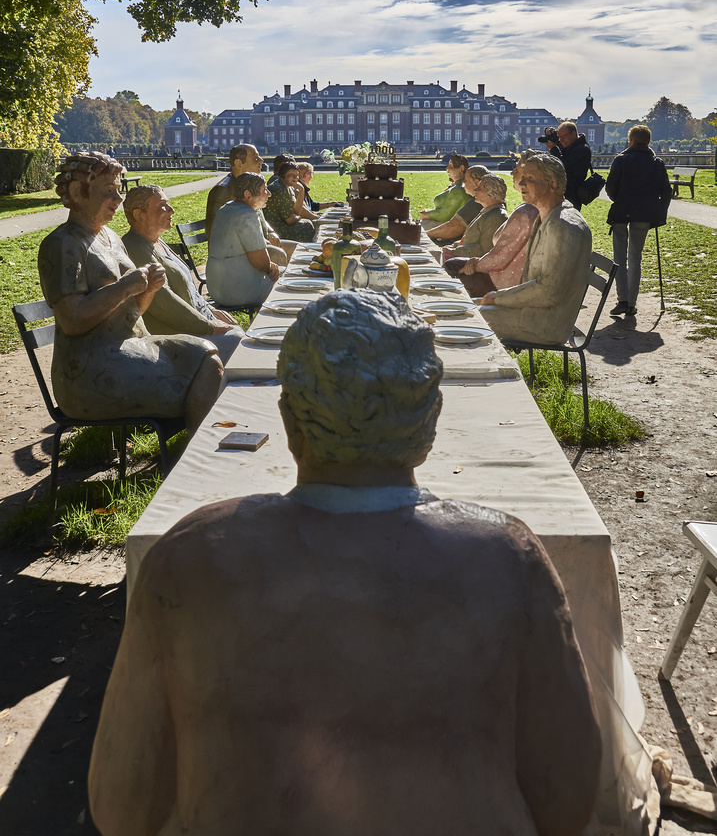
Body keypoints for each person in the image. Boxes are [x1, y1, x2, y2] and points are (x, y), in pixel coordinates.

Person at [89, 290, 601, 836]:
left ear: (288, 424)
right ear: (431, 423)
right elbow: (568, 798)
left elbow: (122, 806)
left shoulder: (187, 556)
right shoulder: (508, 559)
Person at [37, 152, 222, 435]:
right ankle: (198, 459)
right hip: (87, 370)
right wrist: (124, 287)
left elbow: (132, 313)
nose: (118, 199)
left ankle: (196, 455)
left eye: (118, 189)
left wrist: (148, 289)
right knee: (202, 367)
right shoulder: (62, 245)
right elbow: (72, 321)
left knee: (205, 355)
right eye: (108, 191)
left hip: (130, 346)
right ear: (77, 192)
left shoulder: (111, 238)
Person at [122, 185, 244, 364]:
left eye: (169, 203)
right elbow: (165, 304)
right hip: (178, 335)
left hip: (198, 322)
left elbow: (188, 289)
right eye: (162, 205)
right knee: (239, 343)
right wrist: (209, 326)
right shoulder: (135, 248)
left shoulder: (157, 241)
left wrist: (211, 311)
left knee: (240, 335)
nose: (171, 210)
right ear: (139, 214)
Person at [480, 154, 592, 346]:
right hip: (532, 312)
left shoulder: (562, 225)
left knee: (470, 319)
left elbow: (549, 291)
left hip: (545, 325)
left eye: (530, 179)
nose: (521, 183)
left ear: (554, 184)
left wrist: (498, 298)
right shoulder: (548, 216)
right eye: (523, 177)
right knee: (465, 307)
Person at [606, 123, 672, 317]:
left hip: (621, 212)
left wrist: (619, 199)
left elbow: (610, 188)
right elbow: (666, 192)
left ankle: (623, 300)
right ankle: (632, 303)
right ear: (648, 142)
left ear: (631, 140)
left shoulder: (620, 160)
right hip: (644, 214)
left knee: (619, 258)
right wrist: (659, 212)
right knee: (635, 257)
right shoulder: (657, 163)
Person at [454, 152, 541, 299]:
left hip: (502, 284)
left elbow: (498, 256)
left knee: (451, 267)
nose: (512, 172)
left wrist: (474, 263)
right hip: (503, 278)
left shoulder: (524, 214)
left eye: (518, 170)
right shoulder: (525, 210)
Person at [205, 145, 292, 268]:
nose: (261, 161)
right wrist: (256, 242)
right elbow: (214, 232)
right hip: (237, 254)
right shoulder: (223, 190)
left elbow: (258, 216)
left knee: (297, 249)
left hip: (260, 243)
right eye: (255, 158)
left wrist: (271, 231)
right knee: (279, 255)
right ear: (239, 163)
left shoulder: (252, 185)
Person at [206, 173, 280, 308]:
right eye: (264, 191)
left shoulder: (226, 208)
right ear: (248, 195)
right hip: (238, 291)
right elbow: (261, 262)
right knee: (286, 278)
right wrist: (271, 269)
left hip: (216, 288)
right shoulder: (246, 214)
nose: (269, 194)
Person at [443, 174, 508, 271]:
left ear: (490, 193)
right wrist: (455, 246)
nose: (475, 190)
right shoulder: (488, 211)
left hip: (471, 265)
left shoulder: (496, 217)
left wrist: (455, 251)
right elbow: (472, 239)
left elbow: (484, 250)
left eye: (479, 188)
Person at [422, 165, 488, 245]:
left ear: (477, 183)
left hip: (459, 246)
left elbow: (453, 228)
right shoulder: (485, 198)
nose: (463, 182)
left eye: (466, 180)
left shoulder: (477, 201)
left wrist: (424, 234)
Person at [263, 161, 317, 242]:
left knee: (310, 223)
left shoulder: (288, 187)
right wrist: (299, 217)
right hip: (276, 229)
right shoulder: (279, 189)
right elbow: (290, 220)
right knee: (307, 226)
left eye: (297, 175)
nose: (295, 178)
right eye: (291, 175)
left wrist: (301, 190)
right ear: (282, 175)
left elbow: (296, 211)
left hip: (283, 224)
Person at [544, 121, 592, 211]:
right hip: (564, 193)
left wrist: (554, 148)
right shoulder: (572, 146)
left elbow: (560, 166)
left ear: (573, 134)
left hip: (572, 195)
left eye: (563, 137)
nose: (560, 140)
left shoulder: (582, 149)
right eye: (559, 137)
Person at [419, 153, 471, 229]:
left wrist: (426, 214)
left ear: (461, 168)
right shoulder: (456, 187)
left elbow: (443, 215)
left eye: (451, 165)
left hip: (446, 227)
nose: (447, 168)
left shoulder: (459, 190)